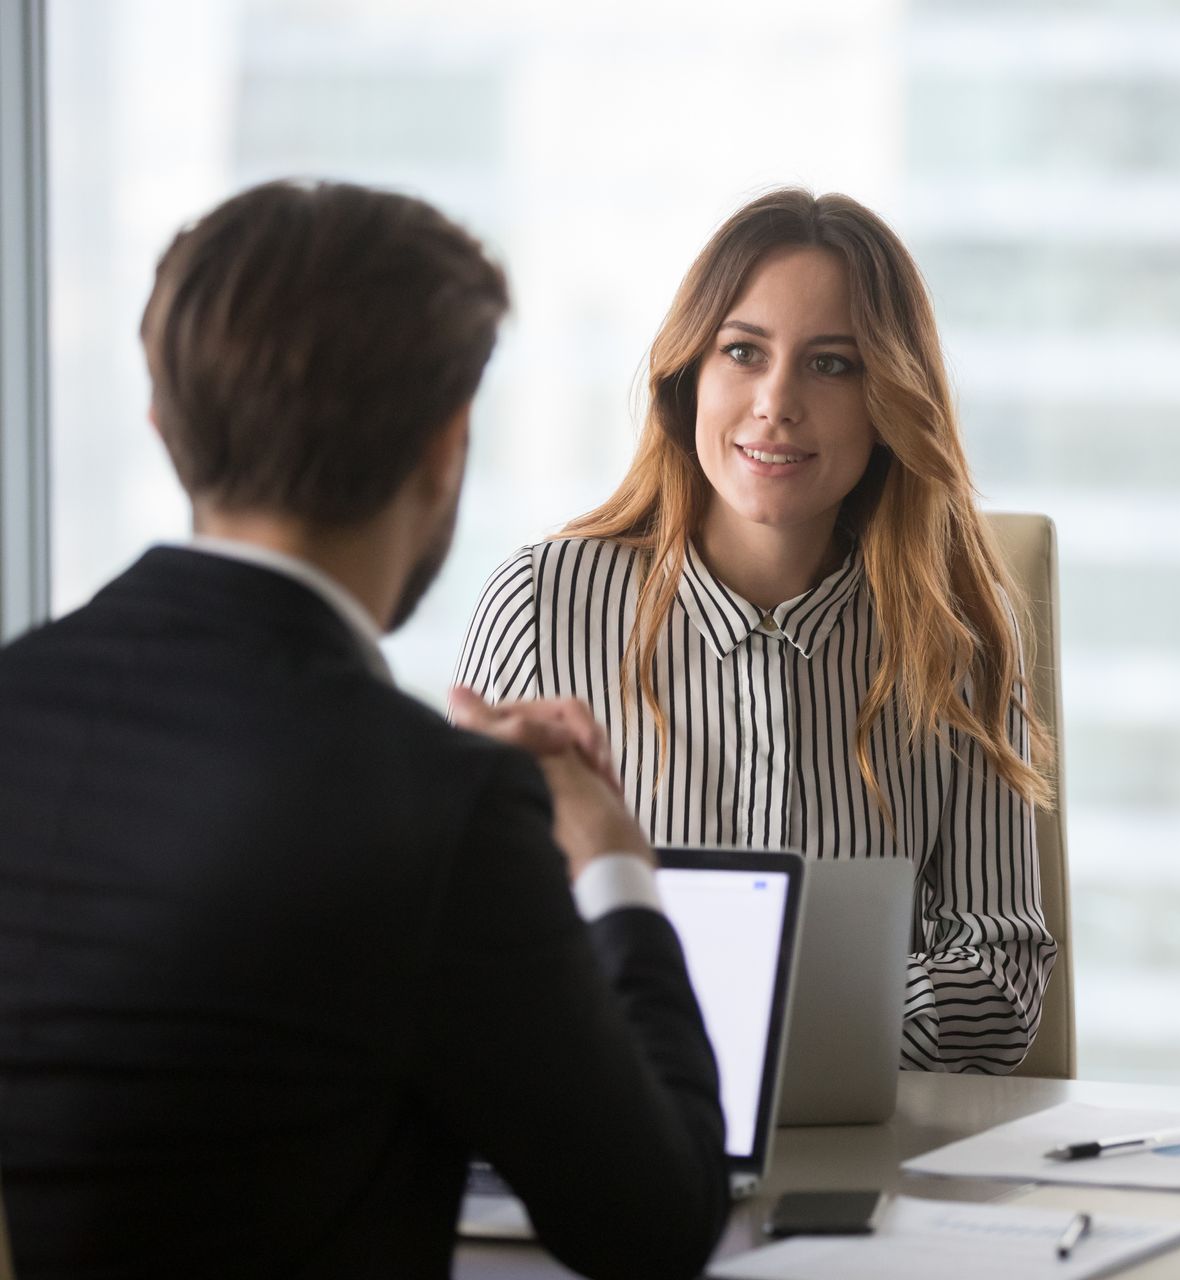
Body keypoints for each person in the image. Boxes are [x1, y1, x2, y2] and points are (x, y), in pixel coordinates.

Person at [0, 180, 729, 1278]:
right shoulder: (438, 809)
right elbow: (658, 1220)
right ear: (446, 447)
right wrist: (614, 863)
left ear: (166, 427)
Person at [456, 189, 1056, 1074]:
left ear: (889, 398)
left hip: (870, 1159)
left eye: (833, 365)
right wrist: (793, 1009)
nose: (776, 403)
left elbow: (1000, 987)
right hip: (616, 1127)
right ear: (688, 374)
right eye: (743, 352)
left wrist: (759, 1023)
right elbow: (466, 943)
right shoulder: (540, 605)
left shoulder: (958, 634)